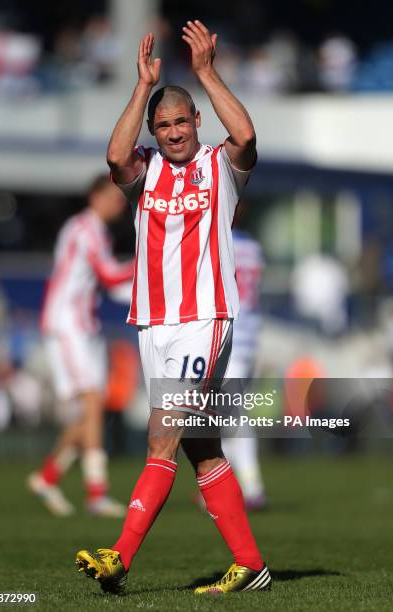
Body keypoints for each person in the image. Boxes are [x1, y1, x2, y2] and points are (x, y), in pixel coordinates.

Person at [76, 21, 271, 595]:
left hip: (204, 321)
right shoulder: (146, 170)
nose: (173, 133)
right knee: (200, 447)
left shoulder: (220, 167)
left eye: (180, 122)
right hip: (154, 325)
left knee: (162, 436)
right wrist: (142, 88)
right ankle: (251, 566)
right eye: (163, 126)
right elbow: (115, 155)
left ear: (196, 123)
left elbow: (248, 136)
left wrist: (206, 72)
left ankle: (119, 557)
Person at [28, 175, 134, 517]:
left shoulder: (93, 231)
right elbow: (110, 274)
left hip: (83, 324)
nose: (119, 204)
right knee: (91, 402)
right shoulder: (85, 228)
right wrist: (149, 262)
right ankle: (96, 492)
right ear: (95, 196)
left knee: (89, 409)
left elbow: (108, 282)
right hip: (67, 324)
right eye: (113, 197)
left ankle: (47, 477)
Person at [221, 220, 267, 510]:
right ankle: (215, 486)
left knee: (232, 416)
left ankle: (252, 488)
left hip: (229, 336)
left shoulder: (216, 241)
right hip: (249, 335)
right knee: (222, 418)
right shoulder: (253, 247)